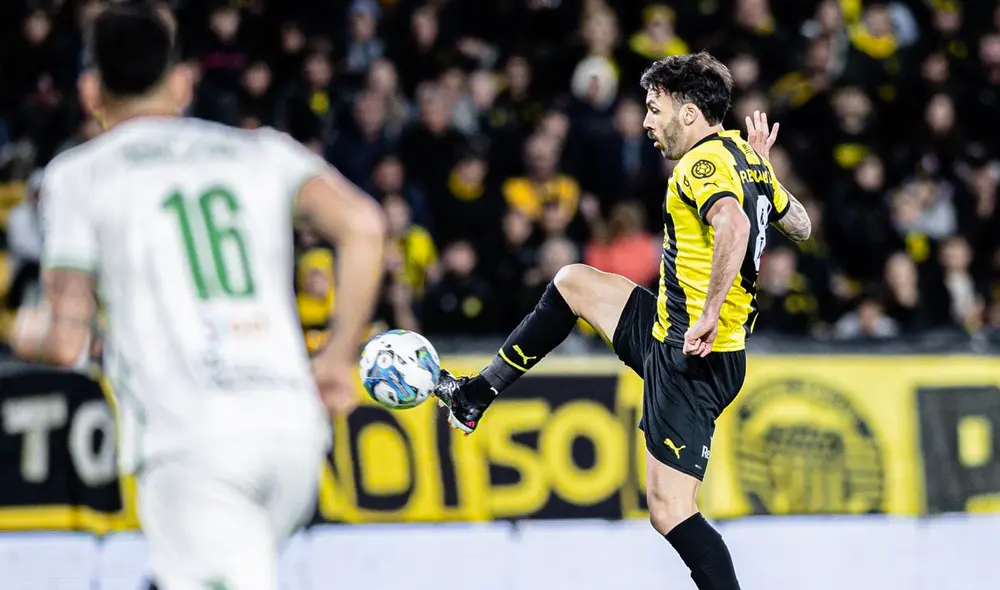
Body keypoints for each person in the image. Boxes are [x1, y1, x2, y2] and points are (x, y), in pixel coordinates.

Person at [10, 5, 386, 590]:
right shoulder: (262, 151)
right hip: (292, 429)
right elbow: (363, 225)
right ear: (182, 80)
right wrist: (338, 358)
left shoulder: (80, 175)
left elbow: (65, 340)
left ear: (90, 90)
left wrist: (15, 327)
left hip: (192, 437)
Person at [434, 51, 811, 590]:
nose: (646, 122)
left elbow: (731, 223)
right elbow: (801, 224)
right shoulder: (741, 157)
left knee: (670, 510)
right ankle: (476, 397)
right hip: (665, 327)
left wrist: (707, 312)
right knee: (573, 283)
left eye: (655, 109)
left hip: (695, 357)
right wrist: (764, 176)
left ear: (688, 113)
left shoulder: (699, 165)